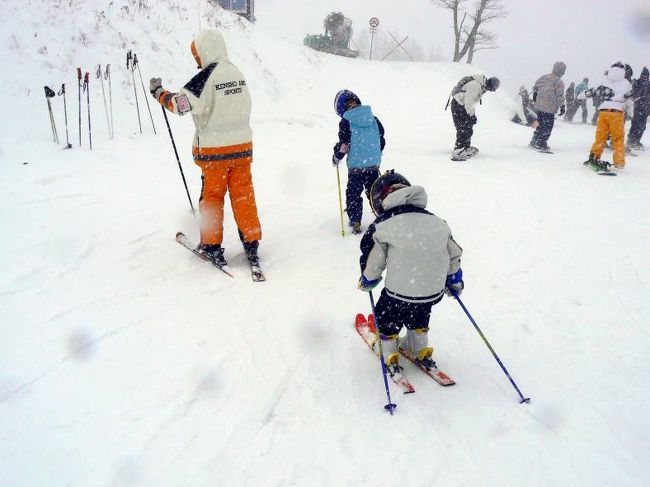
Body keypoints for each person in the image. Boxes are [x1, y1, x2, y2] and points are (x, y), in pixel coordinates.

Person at [149, 29, 262, 268]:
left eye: (196, 54)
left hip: (216, 154)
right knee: (244, 197)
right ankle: (251, 243)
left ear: (204, 51)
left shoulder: (205, 77)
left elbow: (180, 105)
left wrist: (159, 94)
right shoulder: (235, 72)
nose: (196, 60)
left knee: (212, 199)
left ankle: (211, 246)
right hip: (242, 150)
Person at [357, 170, 463, 371]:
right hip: (432, 291)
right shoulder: (438, 222)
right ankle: (418, 345)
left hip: (398, 293)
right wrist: (454, 281)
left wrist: (368, 279)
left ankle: (388, 350)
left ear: (380, 200)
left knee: (387, 314)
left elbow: (373, 258)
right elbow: (453, 255)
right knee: (420, 310)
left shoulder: (383, 225)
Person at [332, 90, 385, 234]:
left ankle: (355, 220)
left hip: (356, 167)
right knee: (374, 191)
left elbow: (344, 145)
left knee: (353, 194)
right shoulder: (373, 118)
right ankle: (382, 215)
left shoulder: (346, 121)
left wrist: (337, 156)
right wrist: (375, 153)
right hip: (373, 165)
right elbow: (381, 138)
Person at [584, 62, 633, 170]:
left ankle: (594, 157)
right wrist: (631, 113)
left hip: (604, 112)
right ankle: (619, 162)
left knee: (600, 137)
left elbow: (591, 92)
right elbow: (629, 99)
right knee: (618, 138)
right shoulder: (626, 83)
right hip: (617, 113)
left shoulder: (605, 80)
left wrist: (581, 96)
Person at [448, 74, 500, 160]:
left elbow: (471, 103)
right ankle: (458, 150)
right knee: (463, 128)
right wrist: (472, 115)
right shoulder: (475, 85)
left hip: (462, 105)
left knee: (468, 126)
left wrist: (472, 115)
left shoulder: (482, 86)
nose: (490, 91)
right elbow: (469, 102)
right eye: (491, 89)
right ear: (490, 84)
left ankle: (465, 147)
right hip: (459, 105)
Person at [530, 62, 566, 152]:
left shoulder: (544, 77)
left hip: (540, 106)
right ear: (561, 71)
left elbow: (536, 86)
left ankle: (534, 141)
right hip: (549, 108)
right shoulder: (559, 82)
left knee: (540, 125)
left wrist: (535, 93)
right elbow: (560, 95)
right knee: (547, 127)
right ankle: (541, 143)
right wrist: (562, 106)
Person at [628, 67, 650, 150]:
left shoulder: (638, 83)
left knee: (638, 125)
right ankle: (633, 141)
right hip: (641, 108)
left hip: (640, 108)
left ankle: (633, 141)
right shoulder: (640, 83)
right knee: (638, 126)